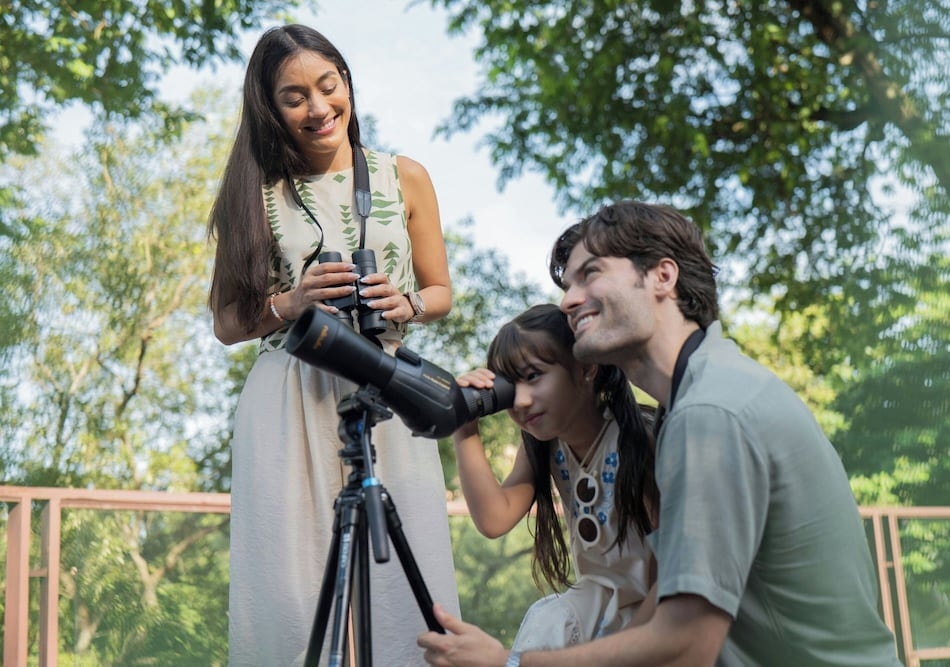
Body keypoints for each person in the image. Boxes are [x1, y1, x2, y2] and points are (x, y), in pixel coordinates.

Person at [418, 201, 903, 666]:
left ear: (662, 276)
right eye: (568, 285)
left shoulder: (709, 413)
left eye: (590, 274)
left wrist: (512, 664)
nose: (568, 301)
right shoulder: (696, 399)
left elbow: (683, 645)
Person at [207, 24, 459, 666]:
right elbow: (226, 323)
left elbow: (440, 291)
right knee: (288, 593)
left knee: (407, 584)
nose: (318, 108)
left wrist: (408, 304)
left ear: (347, 82)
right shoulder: (253, 192)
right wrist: (290, 303)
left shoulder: (406, 176)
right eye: (294, 97)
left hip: (388, 382)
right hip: (289, 394)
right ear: (272, 109)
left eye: (329, 85)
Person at [452, 303, 657, 655]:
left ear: (586, 367)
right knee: (550, 621)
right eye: (508, 387)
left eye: (533, 376)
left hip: (656, 616)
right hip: (598, 611)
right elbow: (493, 518)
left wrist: (624, 652)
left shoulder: (638, 442)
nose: (521, 401)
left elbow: (676, 569)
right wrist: (464, 428)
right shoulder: (545, 447)